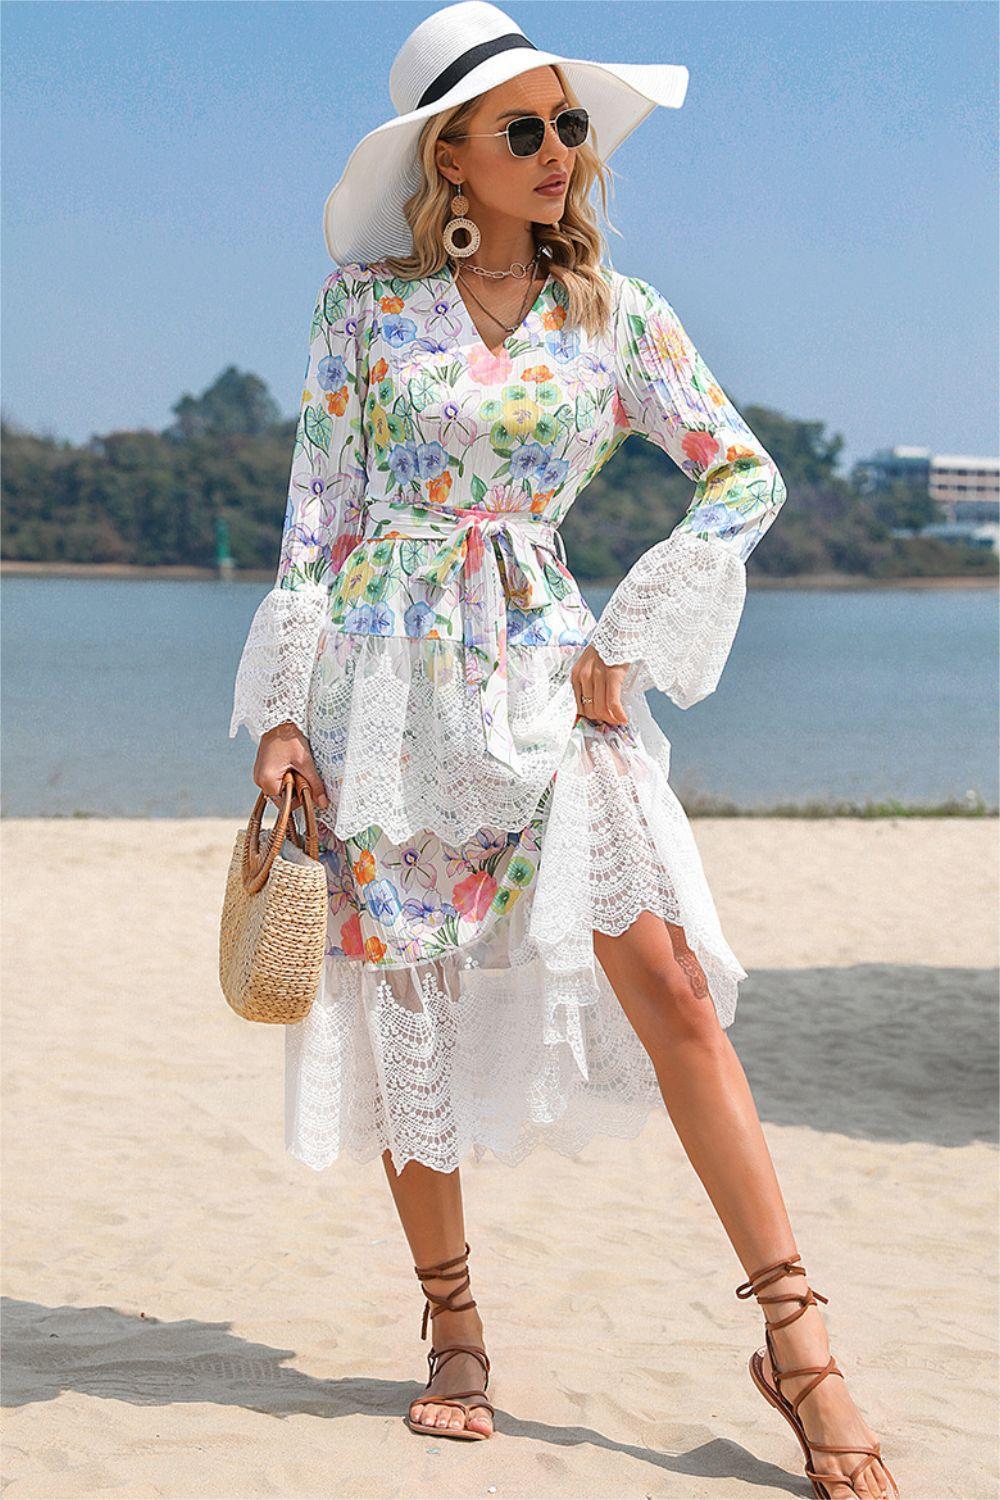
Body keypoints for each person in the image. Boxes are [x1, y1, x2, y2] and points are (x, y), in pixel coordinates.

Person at [228, 4, 898, 1495]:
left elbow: (743, 476)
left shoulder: (619, 317)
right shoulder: (362, 313)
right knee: (409, 994)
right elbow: (316, 516)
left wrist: (635, 630)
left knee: (670, 980)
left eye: (570, 125)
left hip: (547, 677)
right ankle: (455, 1328)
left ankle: (798, 1341)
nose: (560, 151)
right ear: (449, 160)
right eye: (524, 128)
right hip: (381, 691)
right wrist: (281, 712)